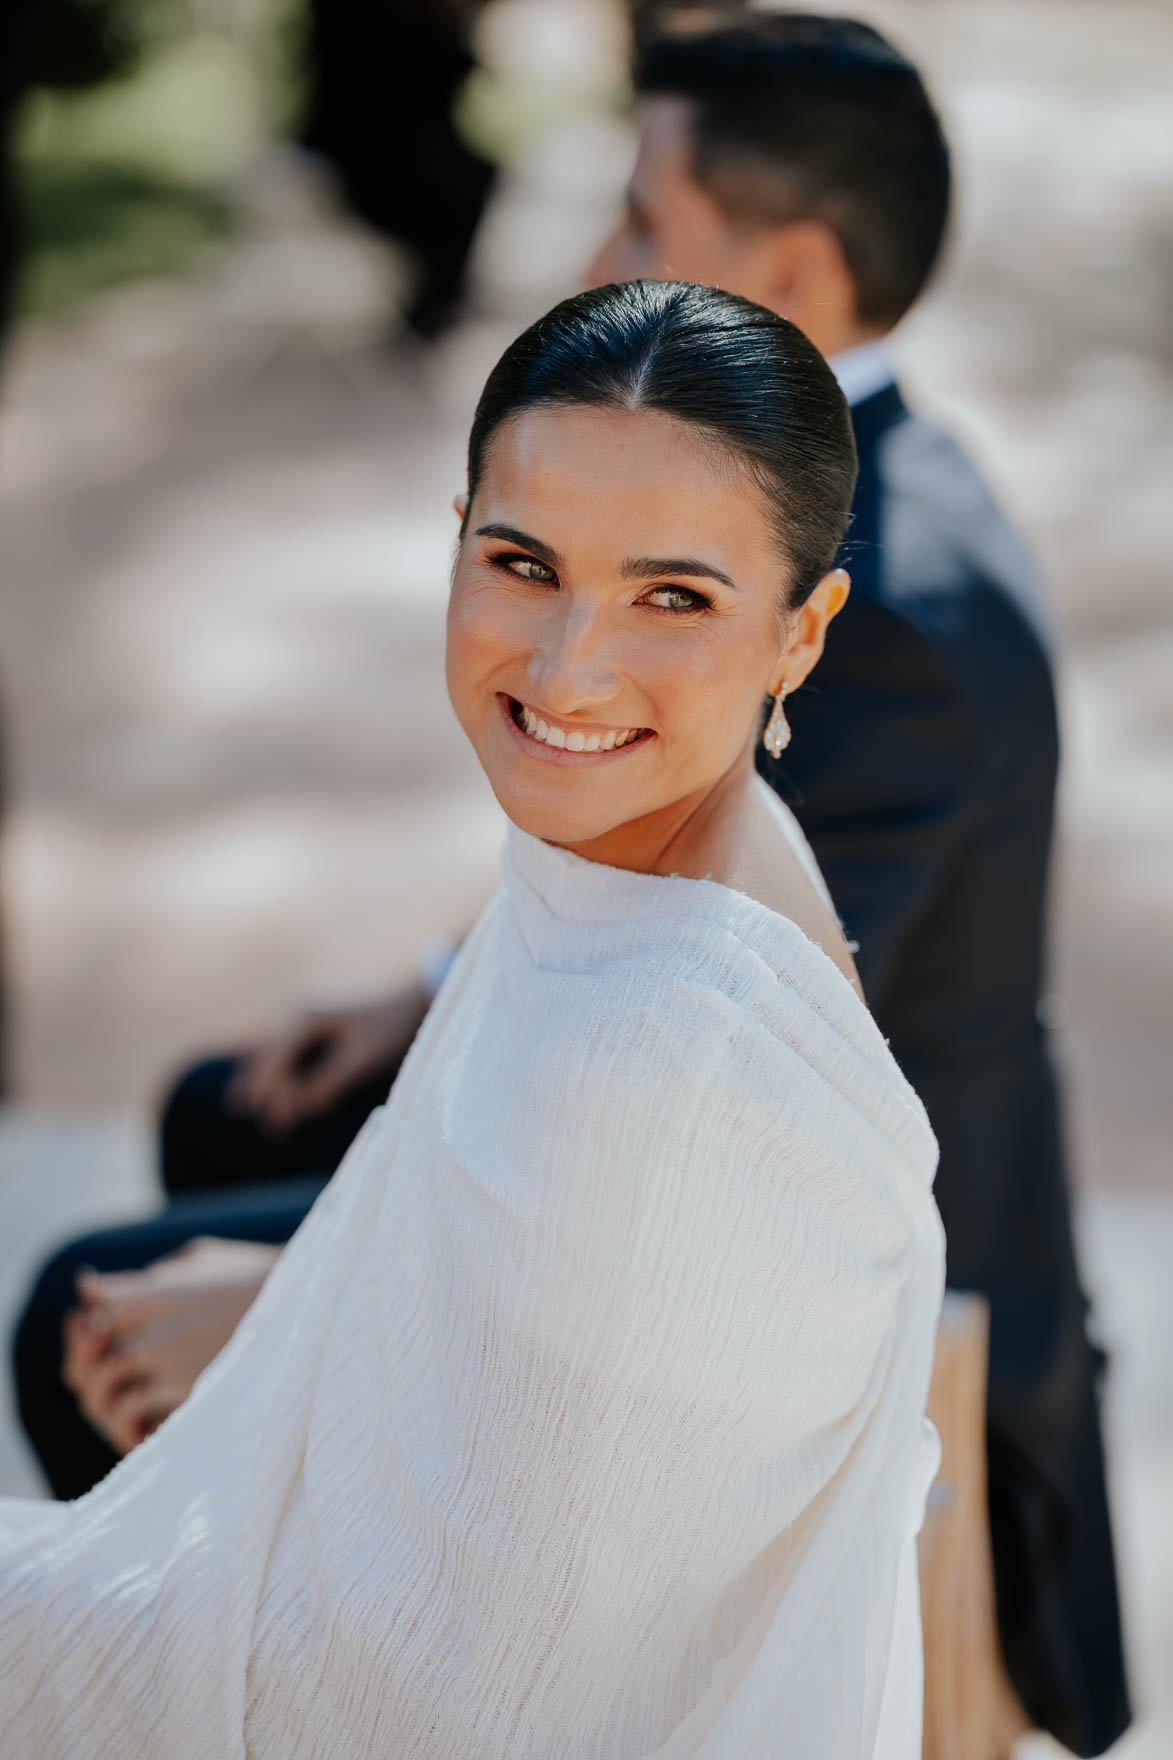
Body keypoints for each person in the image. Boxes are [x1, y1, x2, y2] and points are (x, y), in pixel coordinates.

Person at [11, 15, 1129, 1753]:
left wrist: (298, 1311)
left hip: (837, 1327)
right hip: (651, 1193)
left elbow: (440, 1671)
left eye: (673, 598)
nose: (571, 663)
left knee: (75, 1307)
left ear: (798, 635)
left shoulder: (892, 649)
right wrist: (412, 1006)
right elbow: (620, 902)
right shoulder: (704, 706)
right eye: (519, 563)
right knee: (219, 1118)